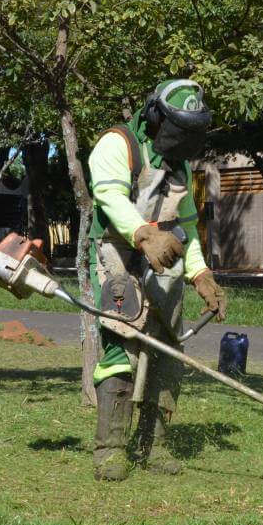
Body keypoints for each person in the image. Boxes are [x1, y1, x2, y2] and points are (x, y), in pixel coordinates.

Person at [88, 79, 226, 482]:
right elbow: (110, 198)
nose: (185, 141)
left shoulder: (179, 164)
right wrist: (145, 234)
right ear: (155, 116)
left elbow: (186, 225)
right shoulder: (118, 145)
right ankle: (111, 450)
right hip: (118, 251)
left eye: (192, 133)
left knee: (168, 351)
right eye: (179, 129)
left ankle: (153, 446)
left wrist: (201, 274)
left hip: (165, 254)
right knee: (121, 345)